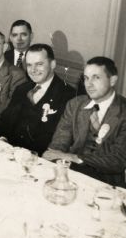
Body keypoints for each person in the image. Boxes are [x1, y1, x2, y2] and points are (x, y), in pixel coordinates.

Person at [43, 56, 126, 186]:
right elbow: (58, 144)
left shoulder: (123, 112)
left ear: (113, 80)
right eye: (86, 78)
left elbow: (117, 161)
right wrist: (56, 158)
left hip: (106, 183)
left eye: (96, 77)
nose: (89, 84)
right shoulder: (75, 104)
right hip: (70, 174)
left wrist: (76, 158)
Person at [0, 44, 76, 155]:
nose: (33, 70)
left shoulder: (68, 95)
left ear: (53, 64)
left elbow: (62, 139)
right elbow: (5, 121)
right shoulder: (22, 89)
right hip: (10, 153)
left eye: (39, 64)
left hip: (41, 160)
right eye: (29, 65)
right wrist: (3, 139)